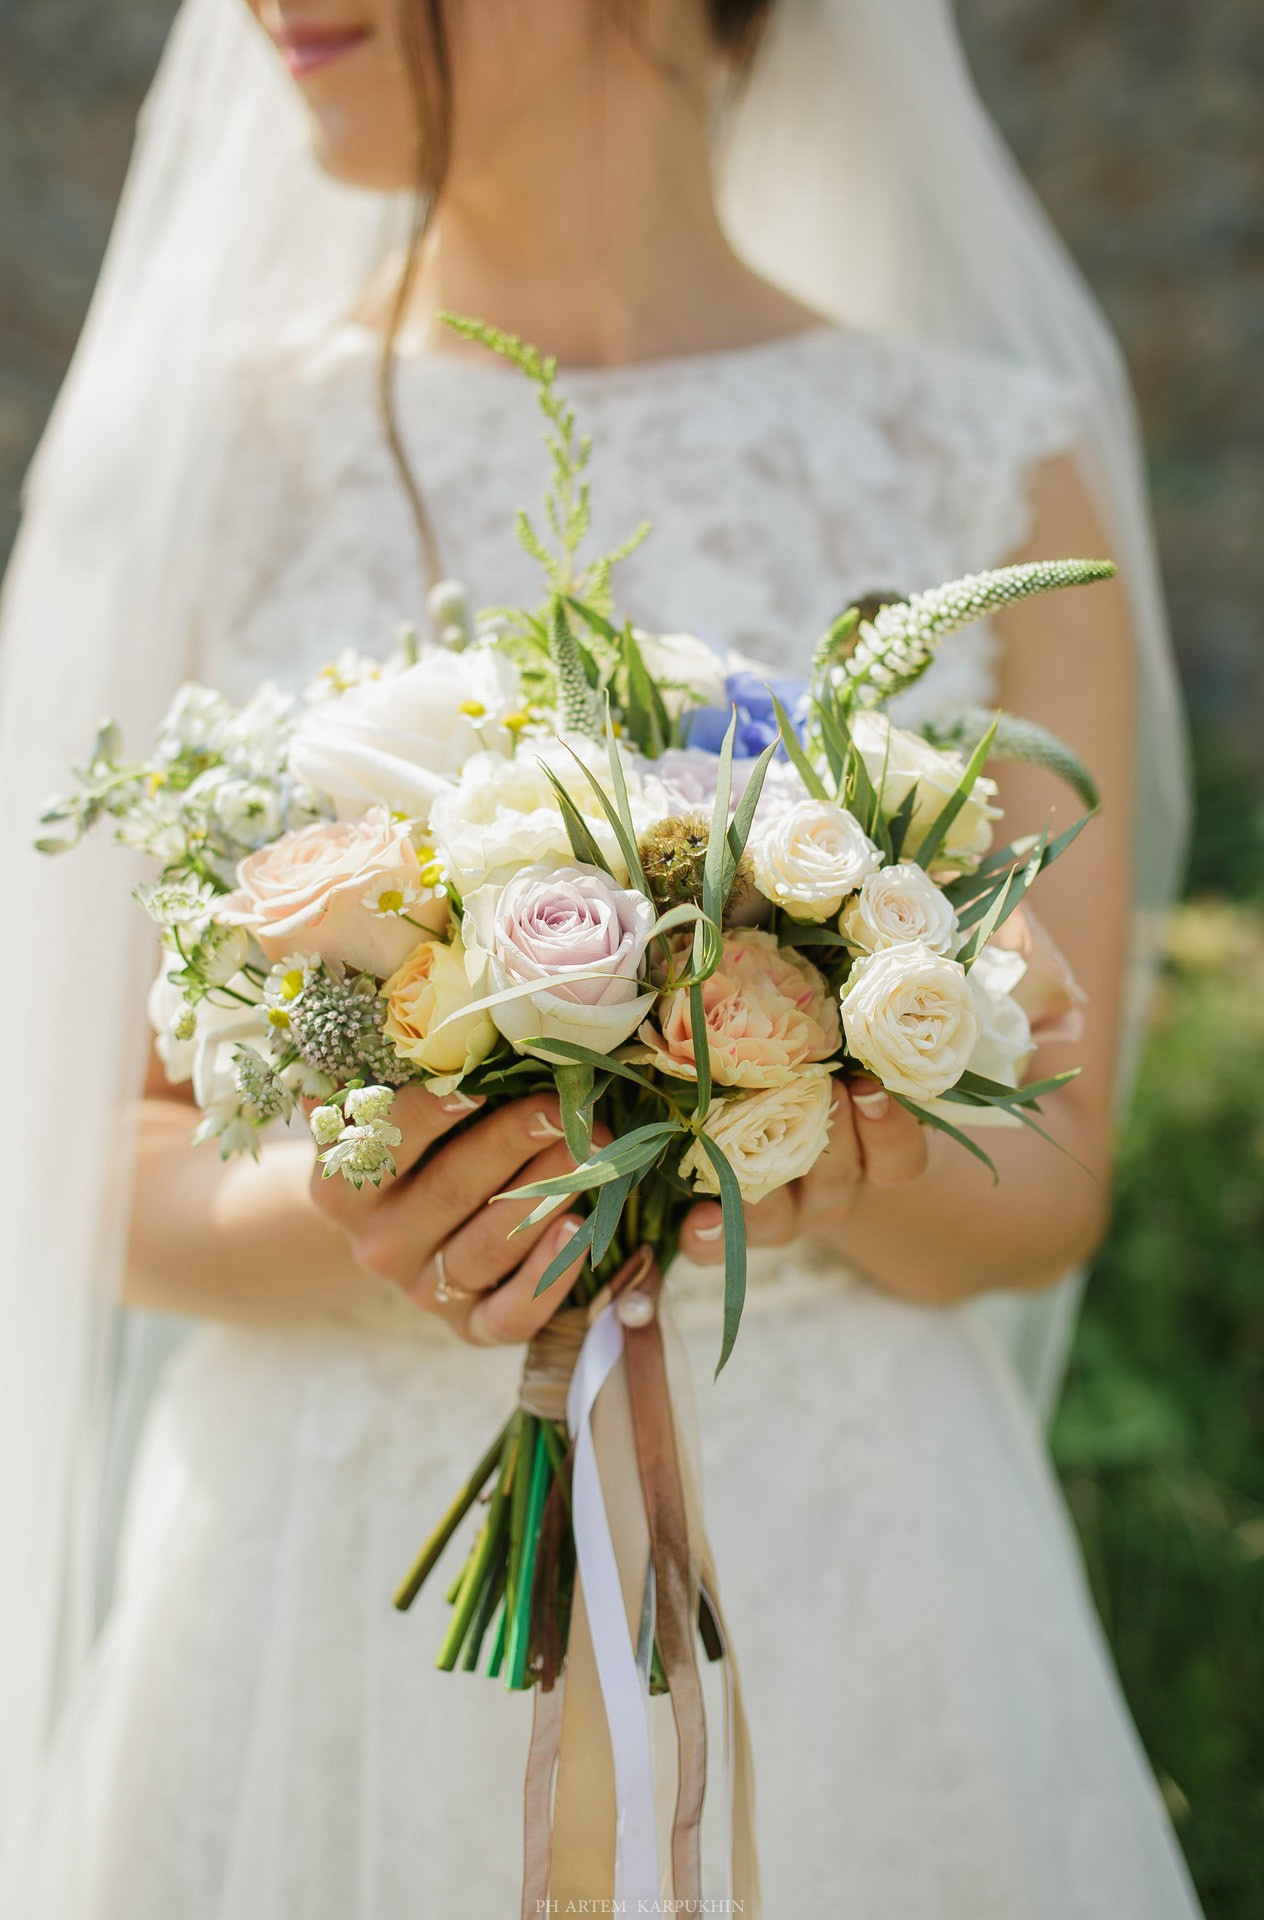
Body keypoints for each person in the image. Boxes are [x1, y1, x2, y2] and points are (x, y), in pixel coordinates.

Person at [0, 0, 1199, 1913]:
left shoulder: (991, 478)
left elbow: (1045, 1192)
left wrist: (793, 1120)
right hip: (328, 1575)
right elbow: (84, 1164)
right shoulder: (207, 462)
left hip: (848, 1562)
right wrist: (375, 1191)